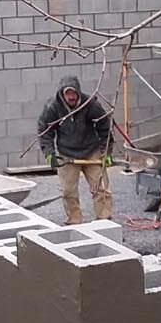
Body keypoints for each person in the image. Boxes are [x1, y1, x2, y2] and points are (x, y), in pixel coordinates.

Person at [37, 73, 115, 225]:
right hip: (66, 153)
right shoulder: (53, 107)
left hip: (91, 151)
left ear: (78, 92)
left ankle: (105, 220)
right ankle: (74, 221)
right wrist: (49, 154)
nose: (71, 97)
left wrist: (106, 152)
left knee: (101, 188)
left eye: (74, 93)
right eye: (68, 93)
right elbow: (44, 131)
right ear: (62, 94)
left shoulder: (90, 105)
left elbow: (105, 128)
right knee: (68, 192)